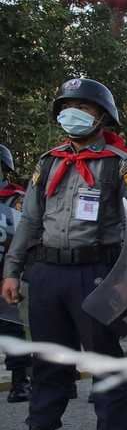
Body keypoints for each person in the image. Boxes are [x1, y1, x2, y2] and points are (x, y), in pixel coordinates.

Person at [3, 78, 127, 430]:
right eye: (69, 106)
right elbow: (29, 221)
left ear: (102, 116)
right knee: (48, 358)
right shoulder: (48, 162)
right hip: (47, 272)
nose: (75, 114)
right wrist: (12, 271)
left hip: (97, 272)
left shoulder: (121, 164)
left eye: (84, 107)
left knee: (104, 359)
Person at [0, 143, 32, 403]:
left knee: (10, 326)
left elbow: (26, 232)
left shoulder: (17, 199)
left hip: (6, 273)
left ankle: (20, 380)